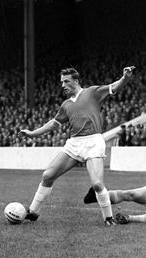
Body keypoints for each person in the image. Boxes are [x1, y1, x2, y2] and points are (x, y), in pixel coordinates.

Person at [18, 66, 136, 226]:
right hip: (74, 144)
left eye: (66, 81)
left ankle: (108, 219)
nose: (63, 85)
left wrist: (125, 78)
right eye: (61, 82)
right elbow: (53, 124)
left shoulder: (92, 93)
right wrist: (32, 133)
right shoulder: (66, 105)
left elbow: (114, 87)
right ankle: (33, 213)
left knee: (97, 184)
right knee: (47, 176)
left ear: (76, 81)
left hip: (93, 142)